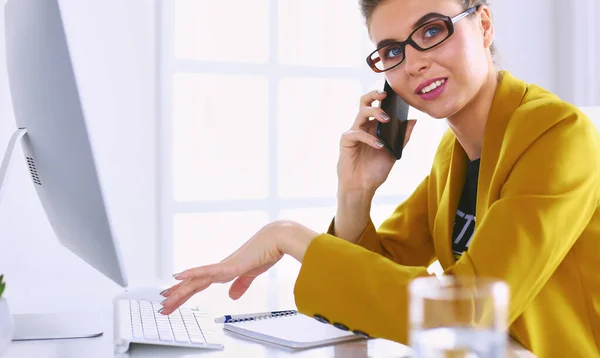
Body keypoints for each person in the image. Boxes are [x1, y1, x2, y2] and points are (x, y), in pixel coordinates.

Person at [159, 0, 600, 356]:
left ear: (483, 25)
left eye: (431, 31)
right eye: (393, 51)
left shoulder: (556, 134)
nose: (414, 64)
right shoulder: (455, 152)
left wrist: (289, 237)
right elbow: (385, 271)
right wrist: (354, 193)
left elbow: (470, 310)